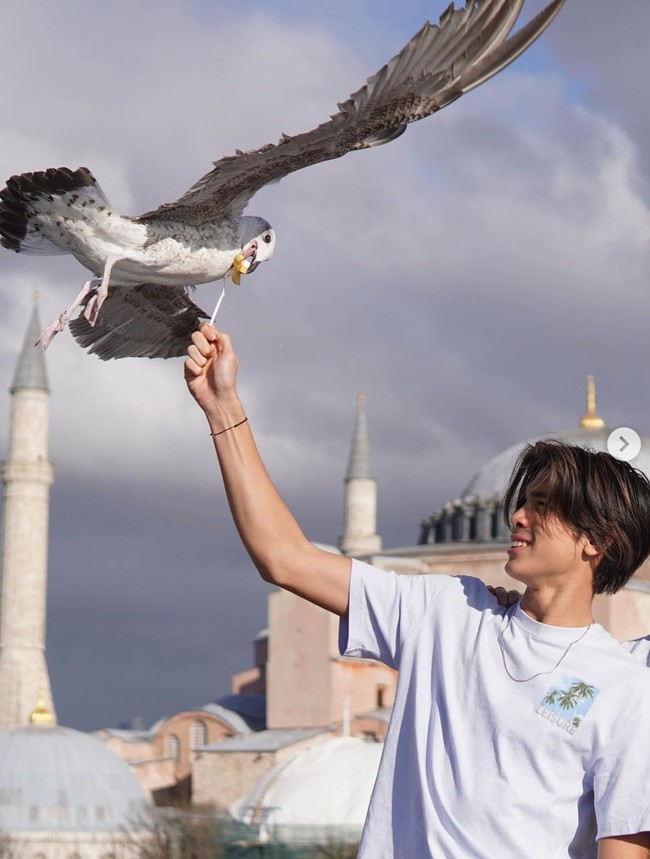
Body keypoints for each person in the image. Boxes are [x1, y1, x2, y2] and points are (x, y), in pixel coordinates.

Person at [185, 323, 650, 859]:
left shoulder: (624, 689)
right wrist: (222, 407)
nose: (518, 516)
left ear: (596, 541)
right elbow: (284, 558)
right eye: (524, 501)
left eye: (544, 506)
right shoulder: (446, 613)